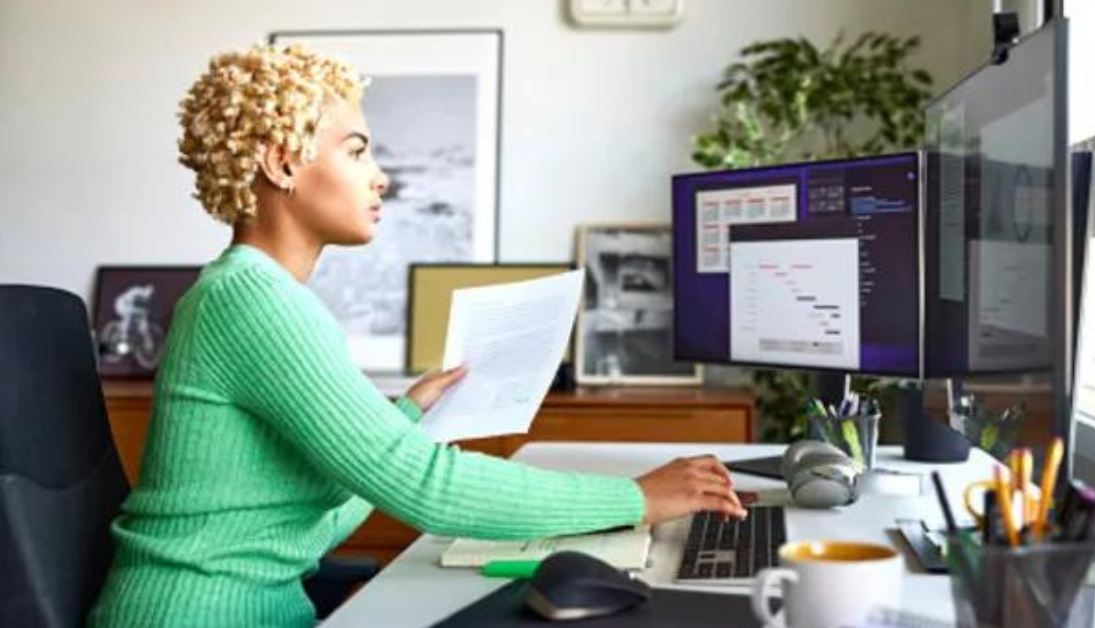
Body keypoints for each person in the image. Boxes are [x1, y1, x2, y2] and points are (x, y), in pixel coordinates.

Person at [88, 43, 745, 627]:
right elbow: (422, 489)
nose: (382, 176)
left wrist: (406, 418)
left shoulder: (255, 294)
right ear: (282, 162)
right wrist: (635, 498)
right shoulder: (252, 301)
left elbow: (317, 514)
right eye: (357, 151)